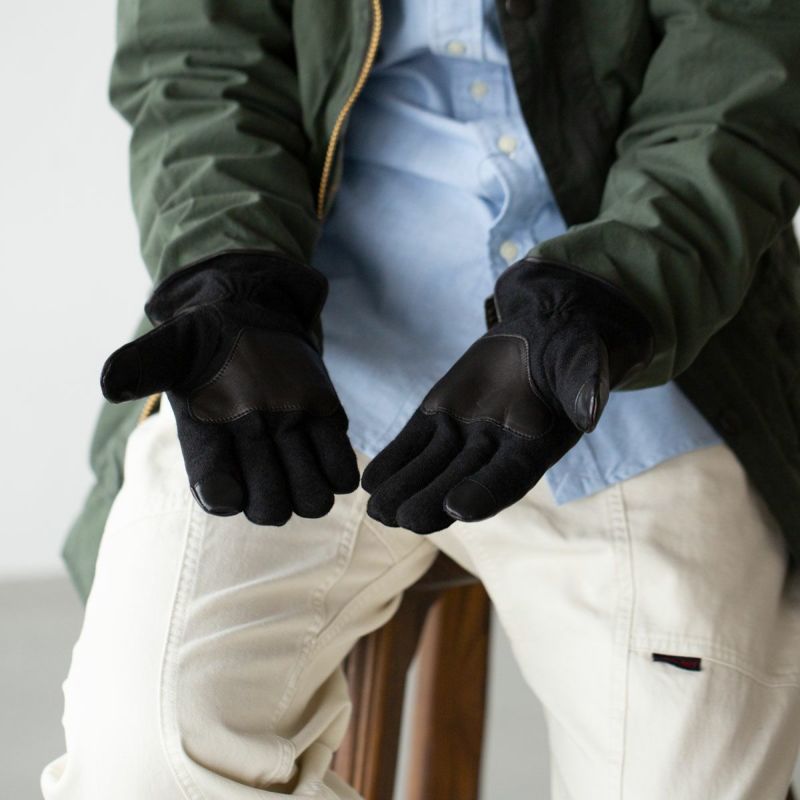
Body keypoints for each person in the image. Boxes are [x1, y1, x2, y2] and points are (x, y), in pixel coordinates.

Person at [41, 0, 800, 797]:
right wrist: (229, 277)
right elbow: (194, 61)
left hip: (625, 336)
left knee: (685, 777)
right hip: (294, 346)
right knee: (144, 756)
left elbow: (744, 64)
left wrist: (616, 291)